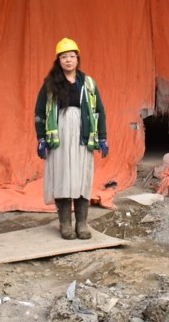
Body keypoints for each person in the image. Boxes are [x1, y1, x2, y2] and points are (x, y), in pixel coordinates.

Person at [34, 37, 109, 240]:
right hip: (59, 135)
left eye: (71, 56)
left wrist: (102, 137)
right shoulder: (50, 84)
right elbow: (40, 110)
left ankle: (82, 224)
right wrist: (41, 138)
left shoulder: (88, 83)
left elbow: (99, 111)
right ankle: (65, 224)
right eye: (64, 57)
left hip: (83, 136)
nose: (68, 60)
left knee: (82, 177)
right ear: (58, 60)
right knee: (63, 177)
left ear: (78, 59)